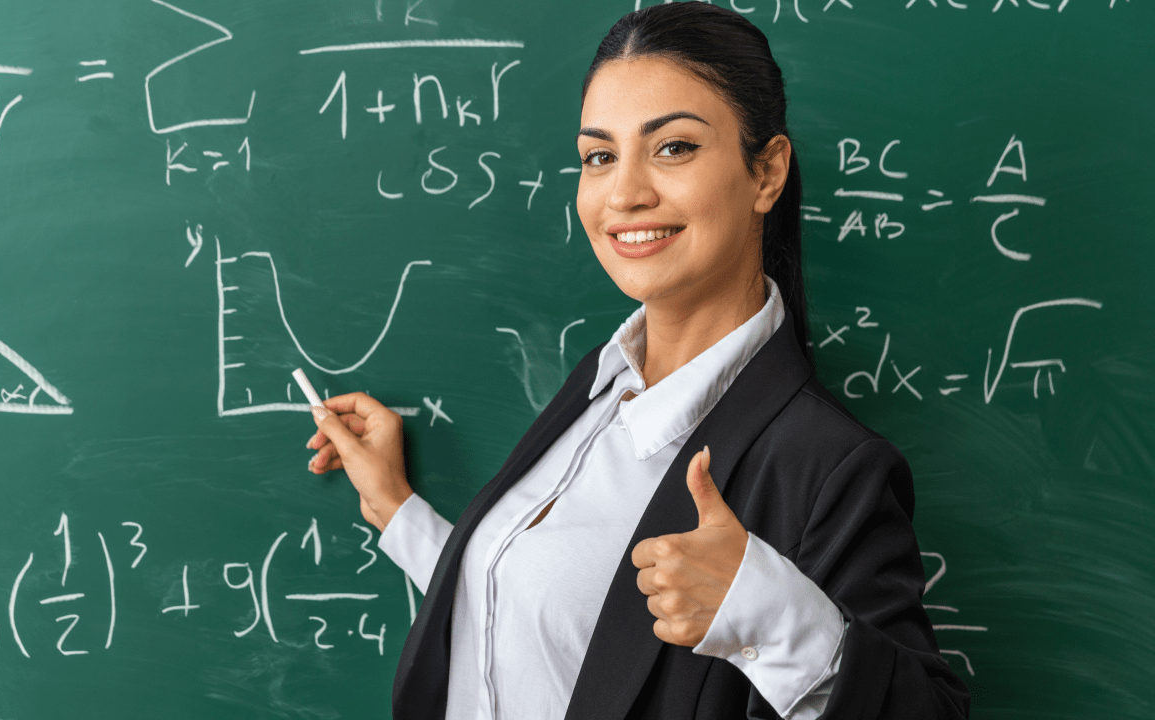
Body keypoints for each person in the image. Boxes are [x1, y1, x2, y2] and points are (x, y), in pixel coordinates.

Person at [303, 3, 970, 718]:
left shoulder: (827, 466)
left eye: (674, 147)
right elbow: (554, 626)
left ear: (767, 171)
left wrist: (766, 612)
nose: (624, 193)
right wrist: (394, 508)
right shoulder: (601, 383)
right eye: (599, 156)